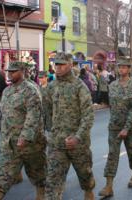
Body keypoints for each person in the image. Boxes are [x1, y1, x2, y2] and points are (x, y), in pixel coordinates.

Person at [0, 62, 46, 200]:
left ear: (22, 71)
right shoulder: (7, 91)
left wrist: (25, 137)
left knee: (37, 172)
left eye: (14, 71)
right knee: (4, 174)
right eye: (9, 71)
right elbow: (4, 116)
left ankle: (41, 194)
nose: (10, 73)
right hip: (10, 143)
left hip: (29, 143)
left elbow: (33, 115)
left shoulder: (30, 90)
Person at [45, 52, 95, 200]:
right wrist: (50, 131)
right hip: (57, 143)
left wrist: (78, 137)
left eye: (62, 64)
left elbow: (88, 116)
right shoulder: (51, 87)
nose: (58, 67)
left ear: (70, 65)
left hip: (78, 143)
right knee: (53, 182)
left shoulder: (80, 87)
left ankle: (88, 191)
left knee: (84, 174)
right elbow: (46, 110)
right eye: (56, 64)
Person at [99, 59, 132, 198]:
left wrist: (126, 128)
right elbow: (111, 106)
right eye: (120, 67)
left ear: (129, 69)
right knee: (112, 154)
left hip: (131, 128)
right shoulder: (112, 85)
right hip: (115, 127)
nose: (122, 69)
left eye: (124, 67)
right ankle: (109, 185)